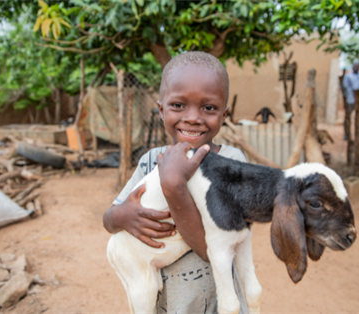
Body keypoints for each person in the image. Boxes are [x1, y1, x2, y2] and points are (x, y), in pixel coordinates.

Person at [103, 51, 249, 313]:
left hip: (218, 305)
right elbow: (109, 221)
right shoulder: (150, 161)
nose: (193, 117)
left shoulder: (232, 163)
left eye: (209, 108)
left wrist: (173, 187)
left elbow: (212, 251)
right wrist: (121, 216)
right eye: (178, 105)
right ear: (161, 109)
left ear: (224, 114)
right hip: (166, 303)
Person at [342, 61, 359, 139]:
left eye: (357, 66)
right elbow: (344, 88)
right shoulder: (348, 76)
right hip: (350, 100)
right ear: (352, 66)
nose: (356, 67)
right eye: (354, 66)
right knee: (348, 117)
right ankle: (347, 134)